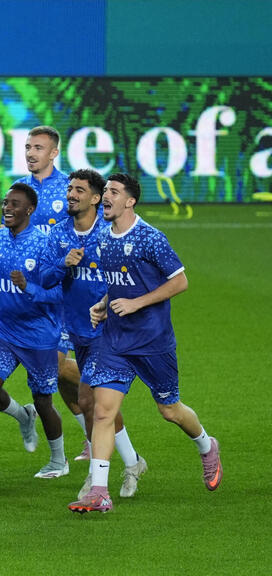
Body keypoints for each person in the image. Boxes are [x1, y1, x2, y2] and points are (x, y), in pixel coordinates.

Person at [69, 173, 222, 513]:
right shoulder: (105, 240)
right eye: (105, 191)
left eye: (113, 192)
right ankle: (99, 491)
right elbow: (121, 283)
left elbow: (179, 282)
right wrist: (105, 305)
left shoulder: (150, 238)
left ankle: (206, 445)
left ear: (130, 201)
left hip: (153, 342)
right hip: (116, 342)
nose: (105, 196)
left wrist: (137, 303)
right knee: (104, 412)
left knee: (170, 410)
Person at [48, 169, 146, 499]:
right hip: (73, 327)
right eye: (69, 188)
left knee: (91, 401)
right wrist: (62, 263)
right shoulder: (59, 233)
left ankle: (95, 480)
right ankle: (132, 462)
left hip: (108, 329)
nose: (71, 194)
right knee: (97, 404)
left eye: (79, 189)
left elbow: (132, 274)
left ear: (94, 197)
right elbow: (45, 279)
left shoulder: (112, 231)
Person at [0, 183, 67, 479]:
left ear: (30, 210)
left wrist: (29, 287)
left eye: (14, 204)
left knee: (43, 400)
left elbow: (58, 295)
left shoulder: (44, 245)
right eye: (5, 203)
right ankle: (22, 416)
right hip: (6, 329)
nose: (7, 208)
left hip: (39, 334)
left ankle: (58, 461)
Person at [15, 125, 88, 457]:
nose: (31, 153)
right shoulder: (18, 190)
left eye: (39, 148)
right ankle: (92, 438)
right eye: (28, 147)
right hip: (31, 293)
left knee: (54, 366)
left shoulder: (69, 190)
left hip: (64, 294)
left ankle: (103, 381)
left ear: (54, 152)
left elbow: (91, 229)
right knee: (57, 378)